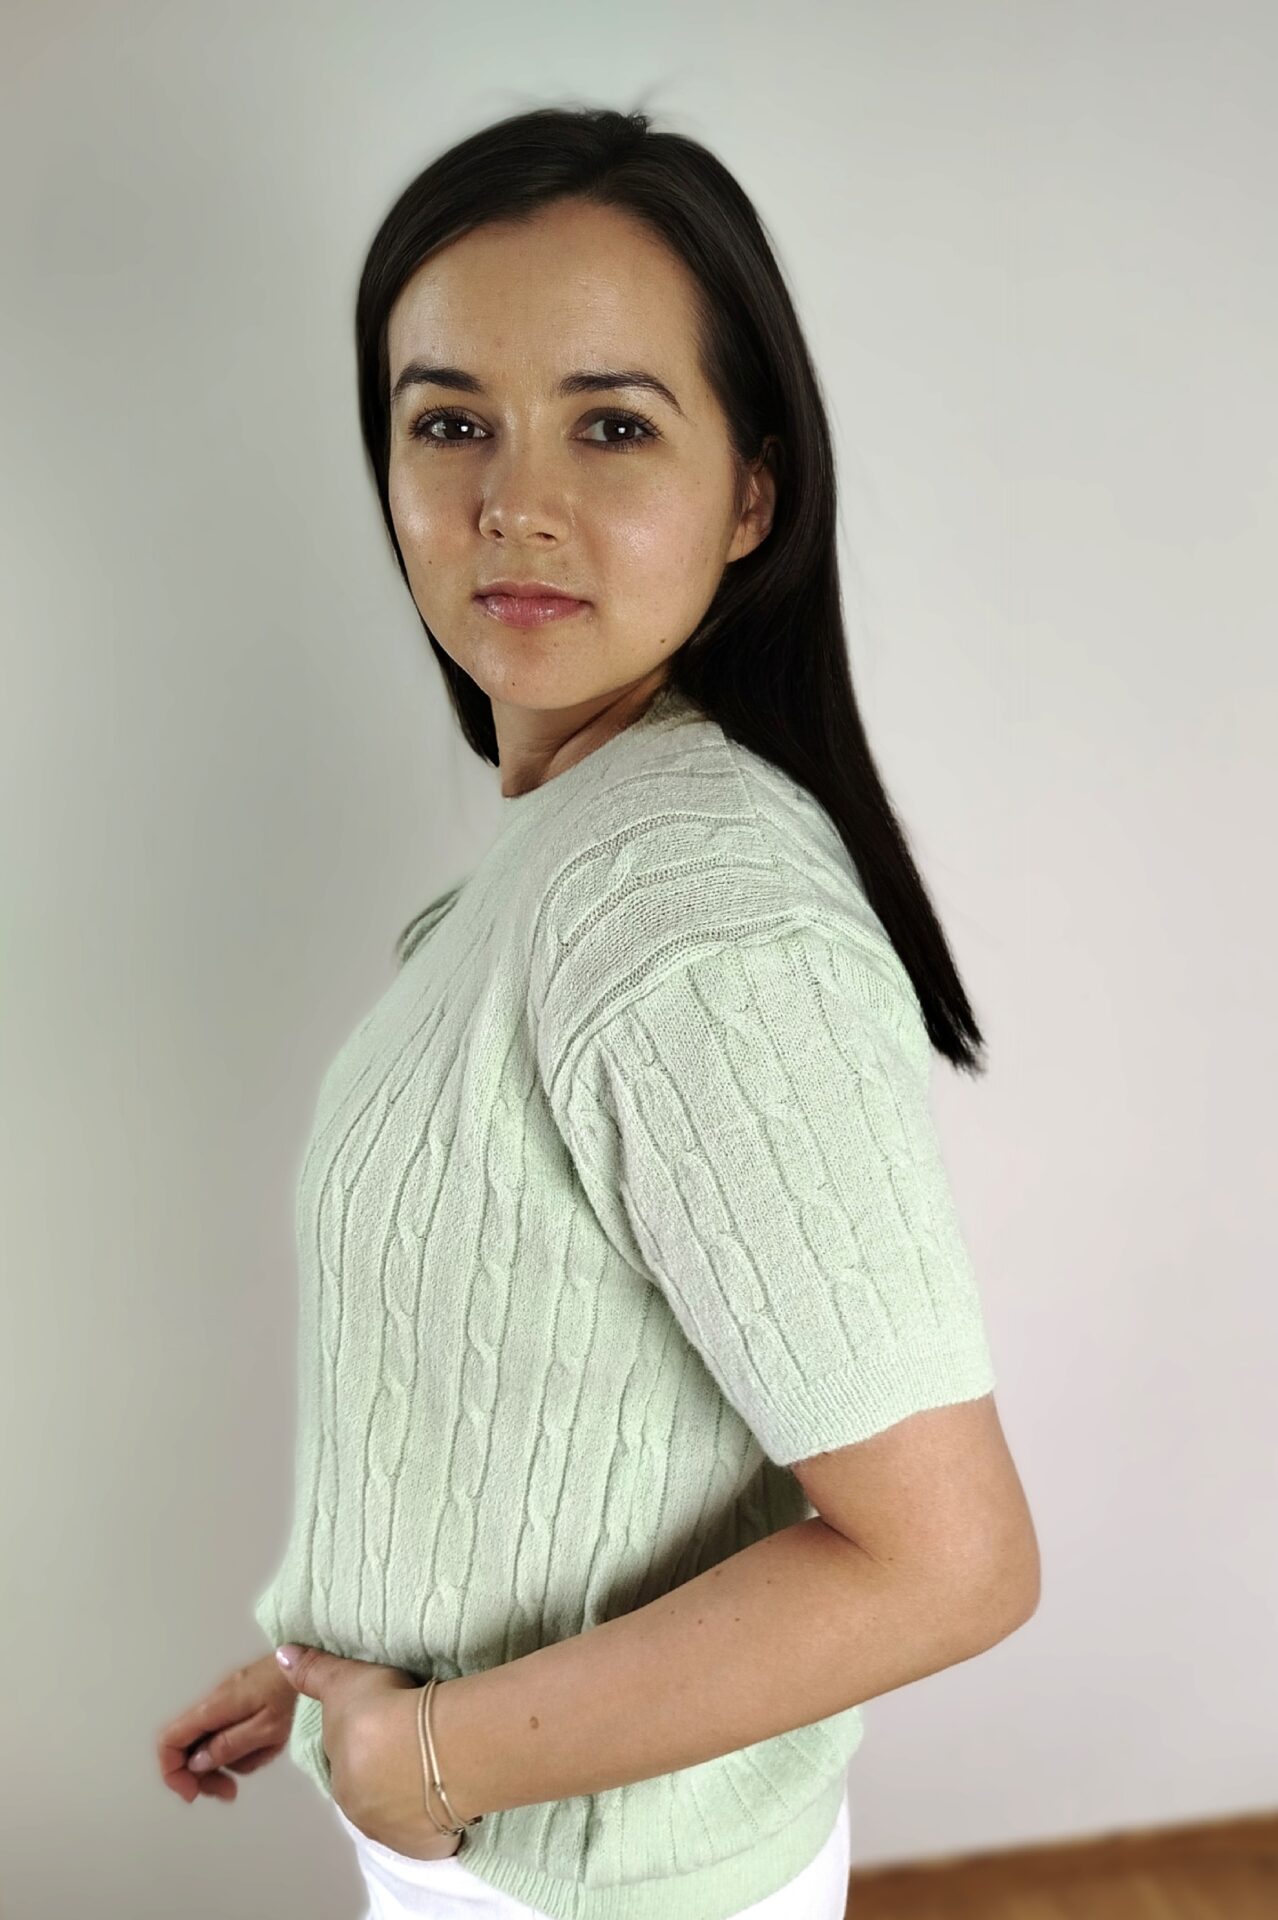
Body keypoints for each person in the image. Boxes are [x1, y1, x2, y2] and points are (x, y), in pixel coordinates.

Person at [157, 104, 1039, 1920]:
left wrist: (427, 1755)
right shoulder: (578, 850)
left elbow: (946, 1563)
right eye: (449, 422)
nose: (512, 503)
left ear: (751, 494)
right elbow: (539, 1388)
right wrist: (337, 1668)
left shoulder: (686, 911)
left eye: (612, 423)